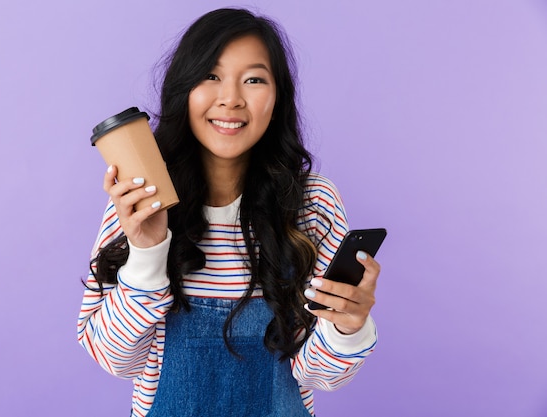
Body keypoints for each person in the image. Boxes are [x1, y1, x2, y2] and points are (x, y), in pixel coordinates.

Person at [77, 8, 380, 417]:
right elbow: (115, 360)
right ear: (184, 89)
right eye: (211, 76)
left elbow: (317, 375)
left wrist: (349, 324)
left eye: (254, 79)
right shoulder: (137, 203)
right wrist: (147, 253)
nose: (232, 99)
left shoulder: (312, 204)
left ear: (277, 98)